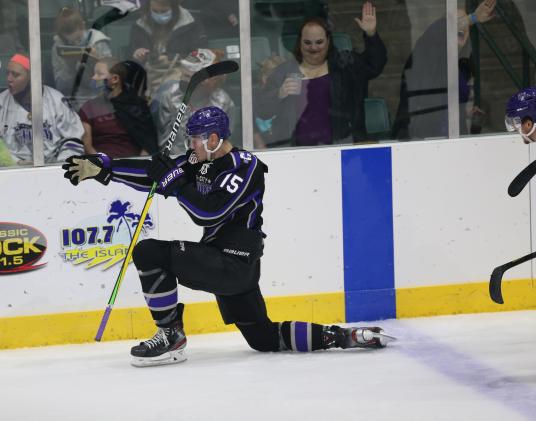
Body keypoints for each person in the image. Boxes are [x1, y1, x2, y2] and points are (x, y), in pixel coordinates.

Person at [62, 106, 394, 367]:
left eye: (195, 139)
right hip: (223, 261)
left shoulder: (245, 167)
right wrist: (106, 169)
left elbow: (209, 212)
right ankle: (343, 337)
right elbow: (156, 176)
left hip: (234, 264)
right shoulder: (199, 160)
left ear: (214, 138)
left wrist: (175, 182)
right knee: (263, 338)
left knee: (149, 252)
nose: (190, 145)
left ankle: (170, 334)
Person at [259, 2, 387, 146]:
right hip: (296, 153)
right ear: (299, 43)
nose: (313, 48)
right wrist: (280, 93)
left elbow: (374, 65)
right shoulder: (284, 71)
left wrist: (371, 34)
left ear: (328, 41)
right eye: (308, 43)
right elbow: (262, 111)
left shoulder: (344, 65)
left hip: (341, 148)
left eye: (319, 42)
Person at [392, 0, 496, 140]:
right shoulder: (426, 54)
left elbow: (450, 105)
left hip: (453, 139)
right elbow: (436, 33)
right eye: (456, 21)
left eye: (465, 24)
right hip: (420, 137)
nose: (462, 26)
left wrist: (467, 115)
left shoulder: (462, 66)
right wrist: (472, 18)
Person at [0, 54, 85, 164]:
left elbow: (74, 139)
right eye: (7, 73)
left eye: (15, 75)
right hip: (12, 171)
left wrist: (60, 167)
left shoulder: (57, 101)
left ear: (33, 77)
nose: (9, 79)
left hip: (54, 170)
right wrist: (16, 162)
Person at [153, 48, 235, 155]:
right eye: (184, 74)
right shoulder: (169, 97)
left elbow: (223, 143)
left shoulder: (224, 102)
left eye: (189, 76)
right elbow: (165, 142)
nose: (184, 80)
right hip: (176, 160)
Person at [78, 58, 158, 158]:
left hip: (133, 165)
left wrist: (139, 163)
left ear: (115, 79)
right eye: (94, 74)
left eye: (99, 74)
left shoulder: (137, 107)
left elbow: (148, 144)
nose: (94, 78)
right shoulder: (89, 108)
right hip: (100, 165)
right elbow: (87, 146)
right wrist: (101, 163)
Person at [129, 0, 208, 95]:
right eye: (155, 11)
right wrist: (138, 53)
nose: (159, 15)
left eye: (164, 11)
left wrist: (173, 58)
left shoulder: (192, 23)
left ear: (174, 8)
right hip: (151, 76)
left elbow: (201, 53)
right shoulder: (140, 25)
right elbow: (132, 56)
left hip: (181, 75)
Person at [51, 7, 113, 99]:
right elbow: (61, 88)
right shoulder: (59, 47)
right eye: (70, 42)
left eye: (78, 39)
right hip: (73, 97)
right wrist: (69, 66)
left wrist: (96, 62)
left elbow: (110, 84)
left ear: (83, 26)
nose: (76, 44)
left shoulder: (98, 42)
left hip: (97, 96)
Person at [252, 54, 286, 149]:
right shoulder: (252, 97)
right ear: (264, 78)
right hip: (261, 145)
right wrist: (258, 141)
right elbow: (249, 125)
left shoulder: (288, 97)